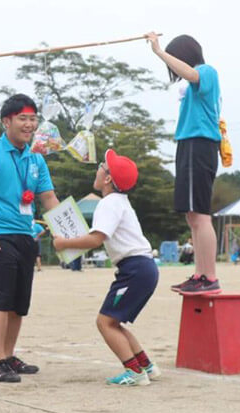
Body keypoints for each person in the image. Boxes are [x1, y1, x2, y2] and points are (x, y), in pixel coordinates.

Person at [0, 93, 60, 383]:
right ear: (6, 121)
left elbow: (47, 197)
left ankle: (9, 355)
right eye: (23, 118)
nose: (29, 124)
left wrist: (66, 231)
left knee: (19, 302)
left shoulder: (36, 157)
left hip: (25, 235)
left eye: (33, 118)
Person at [53, 149, 161, 386]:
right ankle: (146, 366)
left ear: (108, 178)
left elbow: (95, 239)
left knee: (105, 322)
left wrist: (63, 243)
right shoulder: (119, 202)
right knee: (114, 322)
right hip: (143, 267)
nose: (99, 167)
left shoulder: (108, 203)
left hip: (134, 269)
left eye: (102, 165)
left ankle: (134, 372)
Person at [146, 32, 221, 295]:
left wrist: (158, 51)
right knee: (192, 216)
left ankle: (209, 276)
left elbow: (191, 74)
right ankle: (200, 274)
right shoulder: (192, 85)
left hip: (199, 145)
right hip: (189, 145)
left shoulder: (206, 71)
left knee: (200, 214)